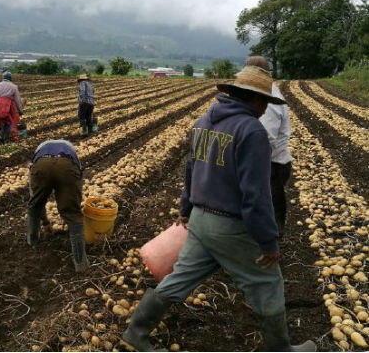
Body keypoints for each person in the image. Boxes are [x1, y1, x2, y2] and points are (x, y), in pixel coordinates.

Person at [122, 65, 315, 352]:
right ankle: (281, 349)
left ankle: (136, 332)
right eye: (265, 103)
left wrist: (185, 209)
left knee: (180, 278)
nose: (265, 110)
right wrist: (267, 240)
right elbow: (256, 194)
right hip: (230, 226)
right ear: (255, 99)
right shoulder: (251, 131)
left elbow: (191, 171)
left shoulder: (202, 123)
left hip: (200, 221)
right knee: (268, 283)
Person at [248, 56, 293, 238]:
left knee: (269, 209)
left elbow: (264, 139)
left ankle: (270, 246)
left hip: (271, 164)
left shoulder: (268, 100)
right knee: (265, 205)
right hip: (268, 162)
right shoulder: (260, 93)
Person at [27, 140, 89, 272]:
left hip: (41, 166)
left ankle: (32, 240)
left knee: (35, 205)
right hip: (67, 166)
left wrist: (45, 222)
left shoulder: (39, 152)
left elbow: (35, 201)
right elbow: (77, 185)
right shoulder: (71, 150)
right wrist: (69, 211)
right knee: (74, 215)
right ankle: (81, 264)